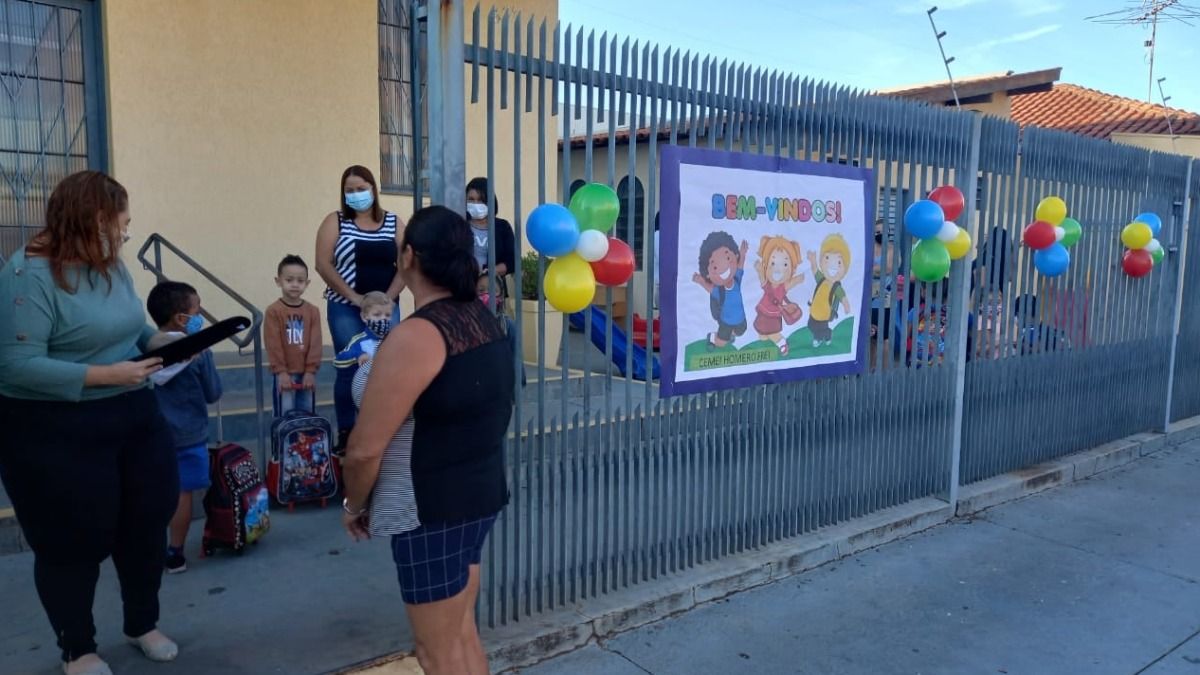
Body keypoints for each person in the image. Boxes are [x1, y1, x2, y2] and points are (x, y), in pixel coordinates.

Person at [0, 171, 180, 675]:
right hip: (58, 428)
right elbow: (16, 366)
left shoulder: (111, 265)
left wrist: (158, 342)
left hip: (133, 414)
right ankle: (77, 648)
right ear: (93, 221)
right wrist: (106, 374)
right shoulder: (28, 274)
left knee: (146, 524)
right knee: (71, 541)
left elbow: (130, 325)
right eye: (120, 223)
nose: (126, 233)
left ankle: (142, 623)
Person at [341, 205, 514, 675]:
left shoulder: (418, 336)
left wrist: (355, 506)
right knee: (460, 635)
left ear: (409, 256)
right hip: (477, 498)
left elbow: (363, 449)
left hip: (431, 511)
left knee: (435, 653)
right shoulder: (480, 320)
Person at [145, 281, 223, 575]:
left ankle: (147, 546)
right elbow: (213, 392)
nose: (200, 314)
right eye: (197, 309)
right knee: (182, 494)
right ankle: (175, 552)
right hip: (189, 434)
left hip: (154, 432)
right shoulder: (199, 350)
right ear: (182, 318)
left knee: (155, 491)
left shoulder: (148, 345)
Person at [316, 165, 405, 353]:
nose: (356, 194)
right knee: (351, 363)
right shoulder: (335, 221)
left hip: (385, 309)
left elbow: (406, 264)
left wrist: (386, 299)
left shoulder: (393, 222)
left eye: (361, 189)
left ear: (373, 188)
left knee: (386, 362)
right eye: (350, 191)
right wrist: (355, 298)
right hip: (345, 307)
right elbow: (323, 264)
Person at [332, 291, 396, 451]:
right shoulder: (360, 340)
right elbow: (339, 359)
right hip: (361, 390)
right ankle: (346, 434)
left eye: (387, 315)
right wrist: (357, 355)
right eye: (377, 314)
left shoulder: (393, 339)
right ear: (364, 317)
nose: (383, 319)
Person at [265, 255, 322, 416]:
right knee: (285, 415)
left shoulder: (312, 311)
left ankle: (305, 442)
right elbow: (273, 344)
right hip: (285, 375)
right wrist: (281, 372)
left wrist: (311, 371)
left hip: (307, 374)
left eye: (300, 280)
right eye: (289, 280)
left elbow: (316, 343)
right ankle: (287, 442)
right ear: (278, 281)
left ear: (307, 283)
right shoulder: (274, 311)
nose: (295, 285)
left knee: (307, 414)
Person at [465, 176, 516, 314]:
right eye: (471, 199)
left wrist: (490, 271)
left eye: (481, 200)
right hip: (463, 291)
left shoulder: (502, 227)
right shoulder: (459, 225)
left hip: (493, 293)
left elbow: (513, 260)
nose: (475, 204)